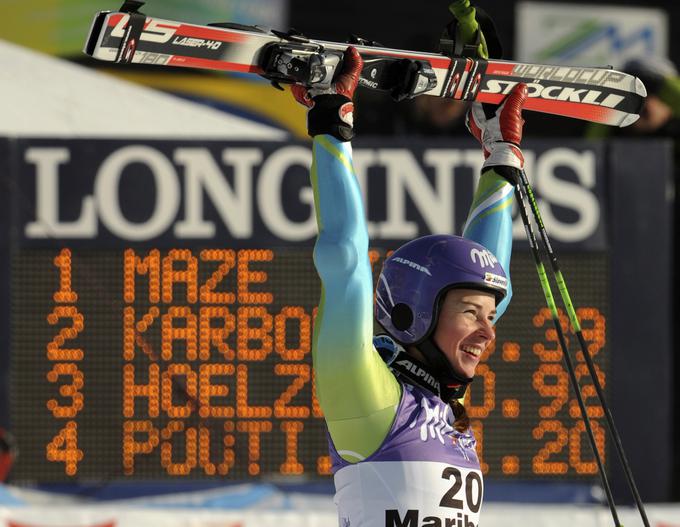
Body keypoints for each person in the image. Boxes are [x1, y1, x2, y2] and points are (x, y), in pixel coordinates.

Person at [291, 14, 527, 527]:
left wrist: (502, 158)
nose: (490, 331)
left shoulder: (445, 406)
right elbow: (346, 260)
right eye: (471, 314)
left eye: (488, 316)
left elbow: (493, 287)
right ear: (415, 312)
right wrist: (332, 125)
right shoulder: (367, 398)